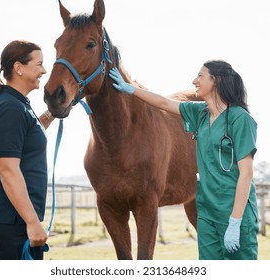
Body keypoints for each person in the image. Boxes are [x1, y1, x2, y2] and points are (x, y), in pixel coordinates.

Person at [109, 60, 259, 260]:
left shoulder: (241, 120)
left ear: (217, 81)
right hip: (207, 210)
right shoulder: (200, 114)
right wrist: (130, 89)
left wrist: (235, 221)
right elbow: (164, 103)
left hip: (233, 208)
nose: (194, 81)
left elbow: (246, 174)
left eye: (200, 76)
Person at [0, 40, 55, 260]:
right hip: (13, 220)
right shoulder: (10, 108)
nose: (44, 71)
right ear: (18, 67)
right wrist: (32, 222)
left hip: (12, 218)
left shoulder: (16, 104)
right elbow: (8, 171)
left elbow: (27, 136)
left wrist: (53, 112)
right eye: (39, 64)